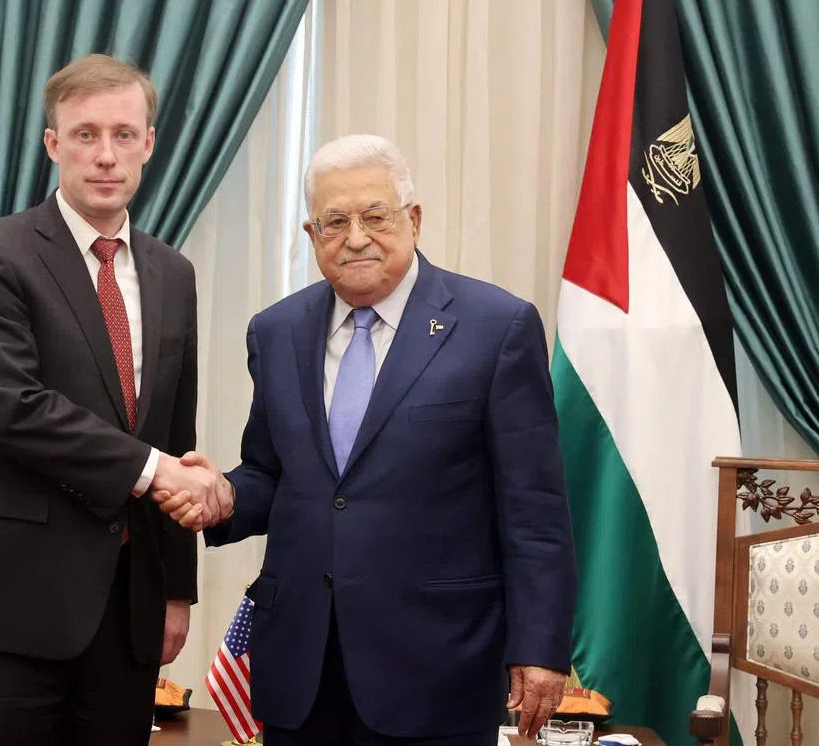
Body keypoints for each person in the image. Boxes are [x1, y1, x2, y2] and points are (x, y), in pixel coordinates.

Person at [156, 134, 577, 746]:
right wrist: (223, 495)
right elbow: (274, 473)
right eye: (335, 222)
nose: (356, 238)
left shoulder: (496, 328)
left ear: (414, 219)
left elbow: (535, 510)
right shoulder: (275, 331)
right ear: (311, 234)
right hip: (303, 669)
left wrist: (539, 647)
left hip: (439, 666)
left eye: (375, 216)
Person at [0, 53, 223, 746]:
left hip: (128, 615)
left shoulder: (173, 273)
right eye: (85, 134)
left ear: (149, 144)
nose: (106, 155)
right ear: (53, 144)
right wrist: (158, 470)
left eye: (124, 135)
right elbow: (12, 409)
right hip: (8, 610)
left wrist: (176, 591)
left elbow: (175, 433)